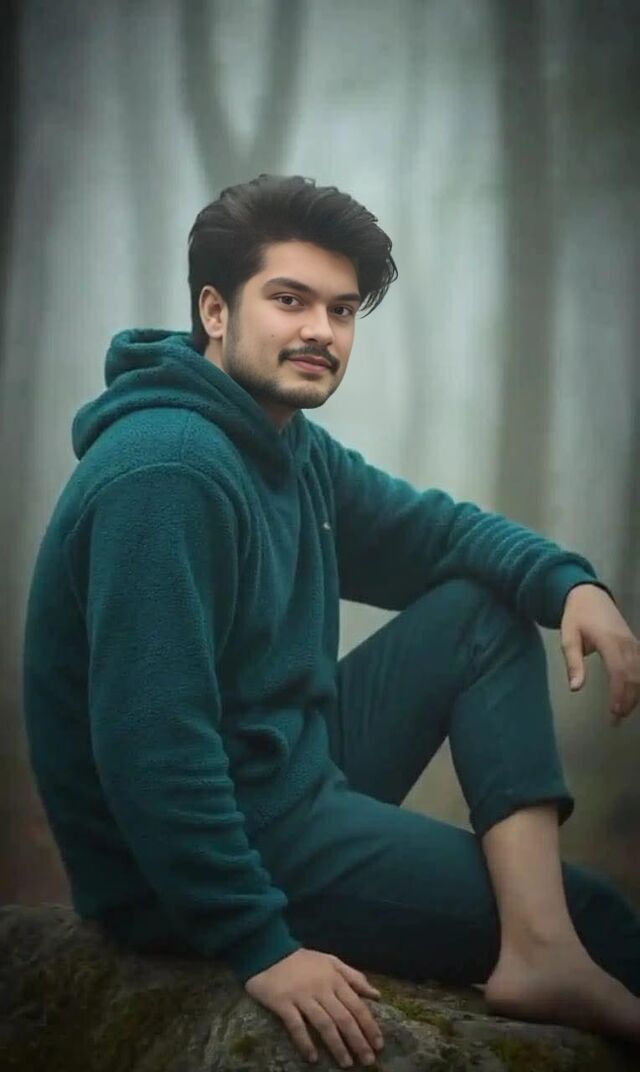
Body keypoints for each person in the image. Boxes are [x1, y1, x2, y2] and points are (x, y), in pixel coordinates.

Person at [23, 173, 640, 1067]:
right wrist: (262, 946)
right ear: (215, 310)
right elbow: (153, 744)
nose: (321, 329)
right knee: (604, 920)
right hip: (188, 866)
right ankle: (553, 941)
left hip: (286, 773)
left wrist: (569, 584)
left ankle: (539, 948)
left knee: (481, 610)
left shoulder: (283, 443)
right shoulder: (169, 472)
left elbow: (438, 536)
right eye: (290, 300)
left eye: (341, 310)